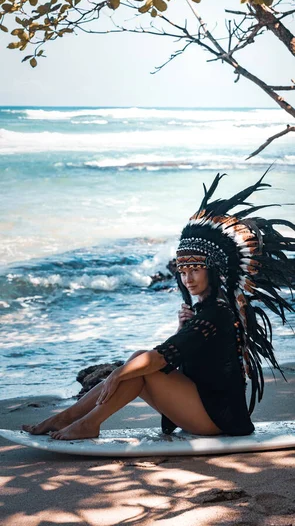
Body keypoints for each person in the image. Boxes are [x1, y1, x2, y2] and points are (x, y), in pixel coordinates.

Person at [23, 171, 295, 440]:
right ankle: (69, 419)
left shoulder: (217, 313)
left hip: (218, 418)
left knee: (139, 366)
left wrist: (115, 375)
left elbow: (161, 357)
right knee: (138, 367)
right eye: (183, 271)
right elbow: (185, 358)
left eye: (195, 270)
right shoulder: (204, 312)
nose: (187, 278)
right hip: (203, 408)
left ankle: (81, 422)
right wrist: (181, 330)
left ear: (211, 271)